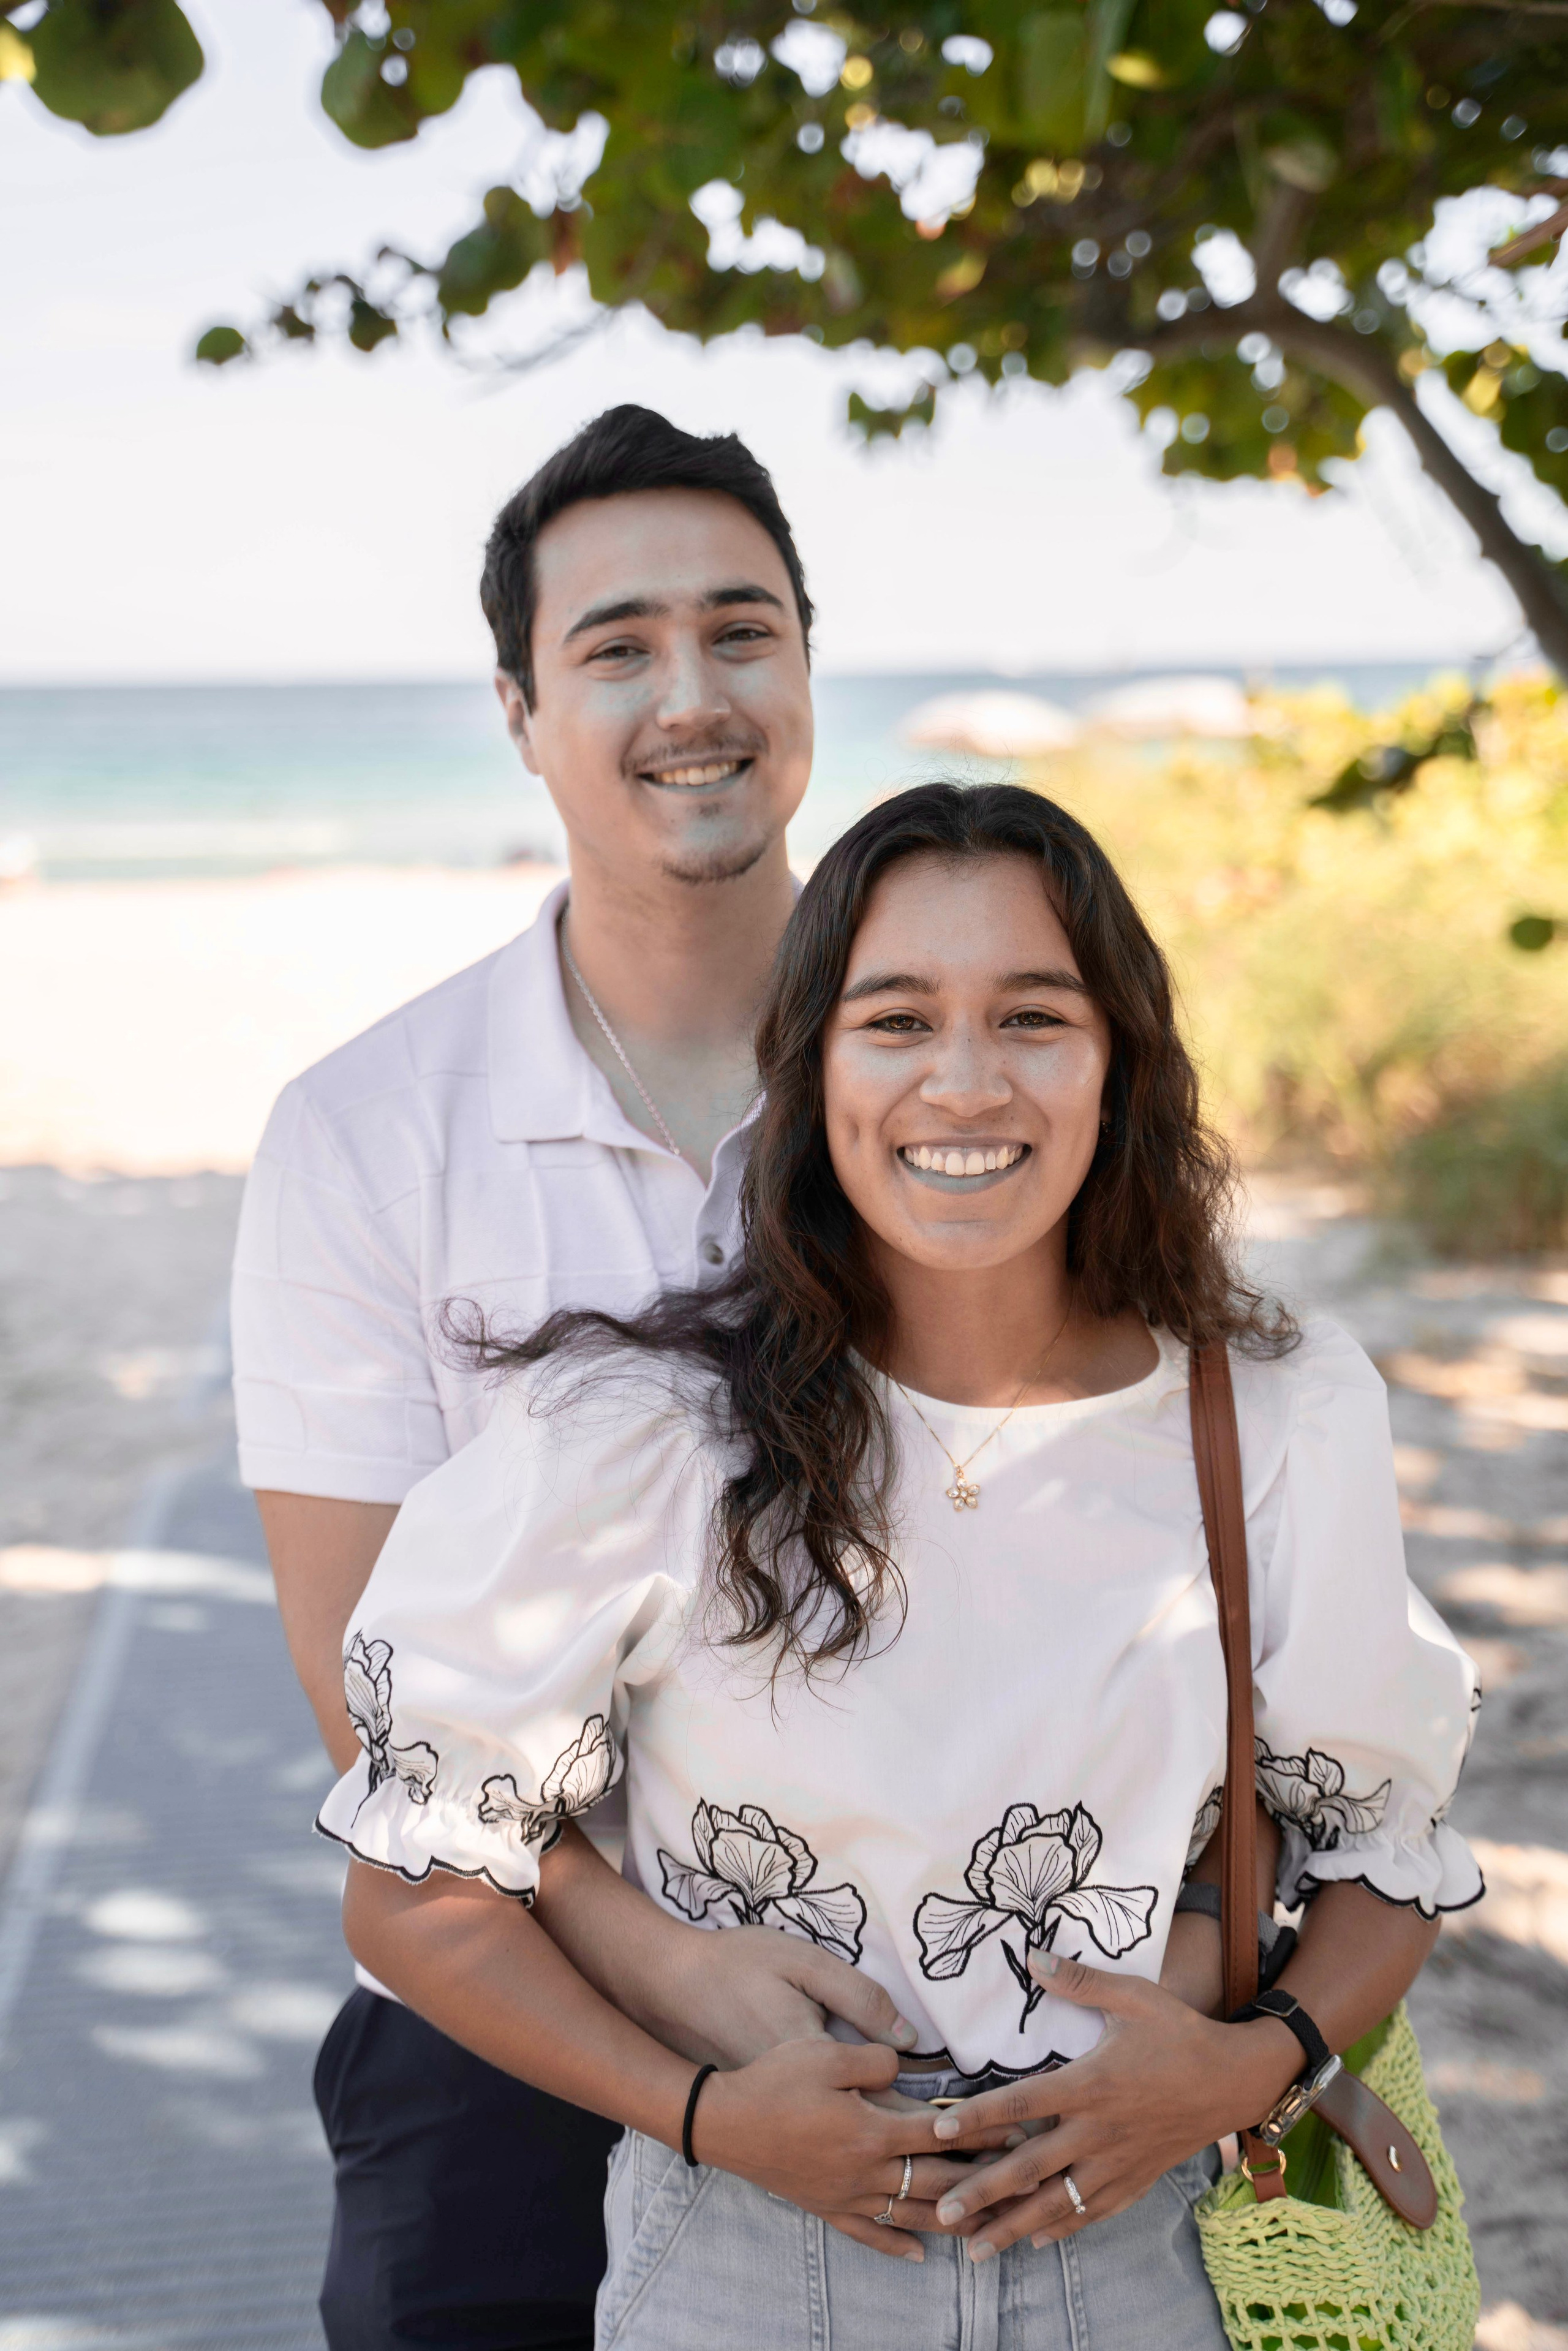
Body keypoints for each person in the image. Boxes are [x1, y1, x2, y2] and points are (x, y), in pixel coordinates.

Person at [314, 781, 1483, 2351]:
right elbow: (410, 1889)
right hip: (746, 2260)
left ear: (1116, 1061)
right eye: (895, 1018)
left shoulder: (1272, 1413)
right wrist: (707, 2112)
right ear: (808, 1068)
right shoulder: (640, 1435)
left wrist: (1250, 2059)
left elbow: (1381, 1845)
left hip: (1144, 2251)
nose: (962, 1078)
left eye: (1031, 1014)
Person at [233, 405, 909, 2350]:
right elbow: (362, 1684)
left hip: (954, 1967)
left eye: (741, 629)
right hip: (517, 1991)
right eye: (616, 647)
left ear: (802, 664)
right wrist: (672, 1970)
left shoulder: (962, 1083)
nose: (689, 695)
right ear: (524, 710)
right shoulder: (368, 1128)